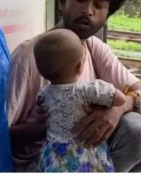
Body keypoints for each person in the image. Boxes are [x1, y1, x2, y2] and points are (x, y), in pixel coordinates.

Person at [6, 0, 141, 172]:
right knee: (135, 128)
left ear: (106, 16)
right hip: (43, 161)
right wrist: (42, 127)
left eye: (99, 5)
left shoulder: (94, 47)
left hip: (87, 153)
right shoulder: (29, 56)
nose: (88, 10)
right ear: (62, 2)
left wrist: (118, 109)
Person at [34, 29, 126, 172]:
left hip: (53, 154)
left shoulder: (43, 94)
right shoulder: (88, 90)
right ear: (79, 67)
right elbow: (120, 99)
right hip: (83, 153)